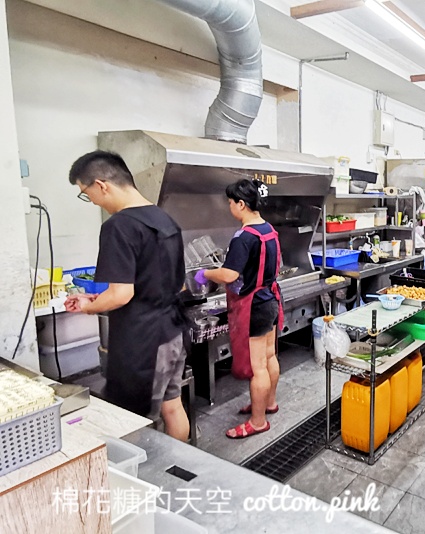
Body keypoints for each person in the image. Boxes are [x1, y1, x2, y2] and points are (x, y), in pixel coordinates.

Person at [65, 151, 189, 441]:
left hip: (143, 342)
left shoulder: (119, 226)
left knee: (134, 422)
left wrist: (88, 307)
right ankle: (177, 470)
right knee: (172, 407)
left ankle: (145, 479)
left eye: (87, 193)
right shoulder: (164, 219)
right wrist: (94, 300)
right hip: (173, 332)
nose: (92, 201)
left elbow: (121, 294)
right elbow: (177, 283)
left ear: (102, 185)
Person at [196, 179, 283, 439]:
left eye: (231, 203)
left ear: (241, 204)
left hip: (254, 305)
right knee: (269, 357)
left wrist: (205, 274)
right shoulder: (268, 229)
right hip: (270, 299)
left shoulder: (244, 237)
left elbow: (229, 273)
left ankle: (258, 422)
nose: (229, 207)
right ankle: (268, 403)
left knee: (258, 367)